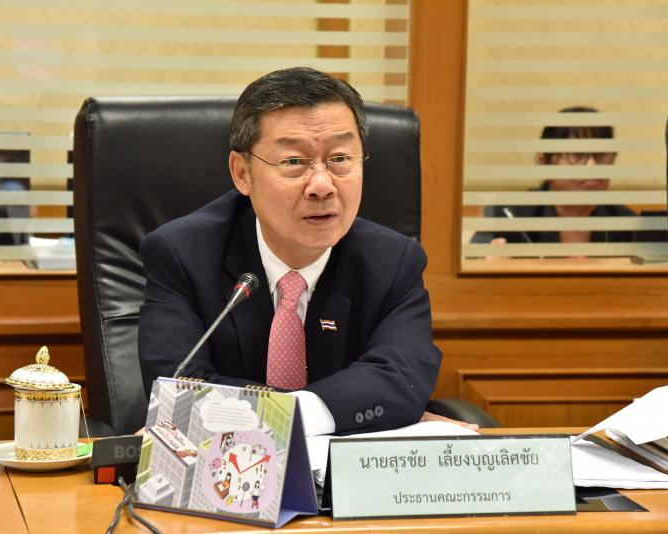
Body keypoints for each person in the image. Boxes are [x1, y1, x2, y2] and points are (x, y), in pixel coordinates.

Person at [137, 67, 443, 436]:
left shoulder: (393, 261)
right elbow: (180, 387)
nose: (322, 185)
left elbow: (403, 376)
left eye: (340, 158)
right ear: (242, 173)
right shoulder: (181, 254)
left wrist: (298, 414)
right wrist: (332, 411)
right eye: (294, 162)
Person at [471, 106, 635, 245]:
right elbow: (472, 263)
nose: (593, 165)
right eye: (577, 154)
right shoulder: (510, 216)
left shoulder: (626, 224)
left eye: (602, 155)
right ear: (545, 162)